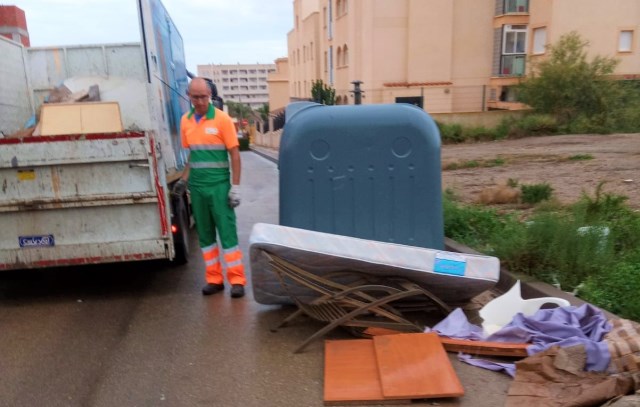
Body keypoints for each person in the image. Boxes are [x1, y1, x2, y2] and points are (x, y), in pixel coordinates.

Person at [172, 77, 246, 298]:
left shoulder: (222, 120)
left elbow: (234, 153)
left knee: (227, 234)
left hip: (219, 187)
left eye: (204, 97)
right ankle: (214, 279)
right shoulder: (186, 121)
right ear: (189, 96)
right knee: (205, 236)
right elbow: (193, 157)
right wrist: (183, 180)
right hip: (198, 188)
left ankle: (237, 280)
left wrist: (235, 187)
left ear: (210, 95)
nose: (200, 101)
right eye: (195, 97)